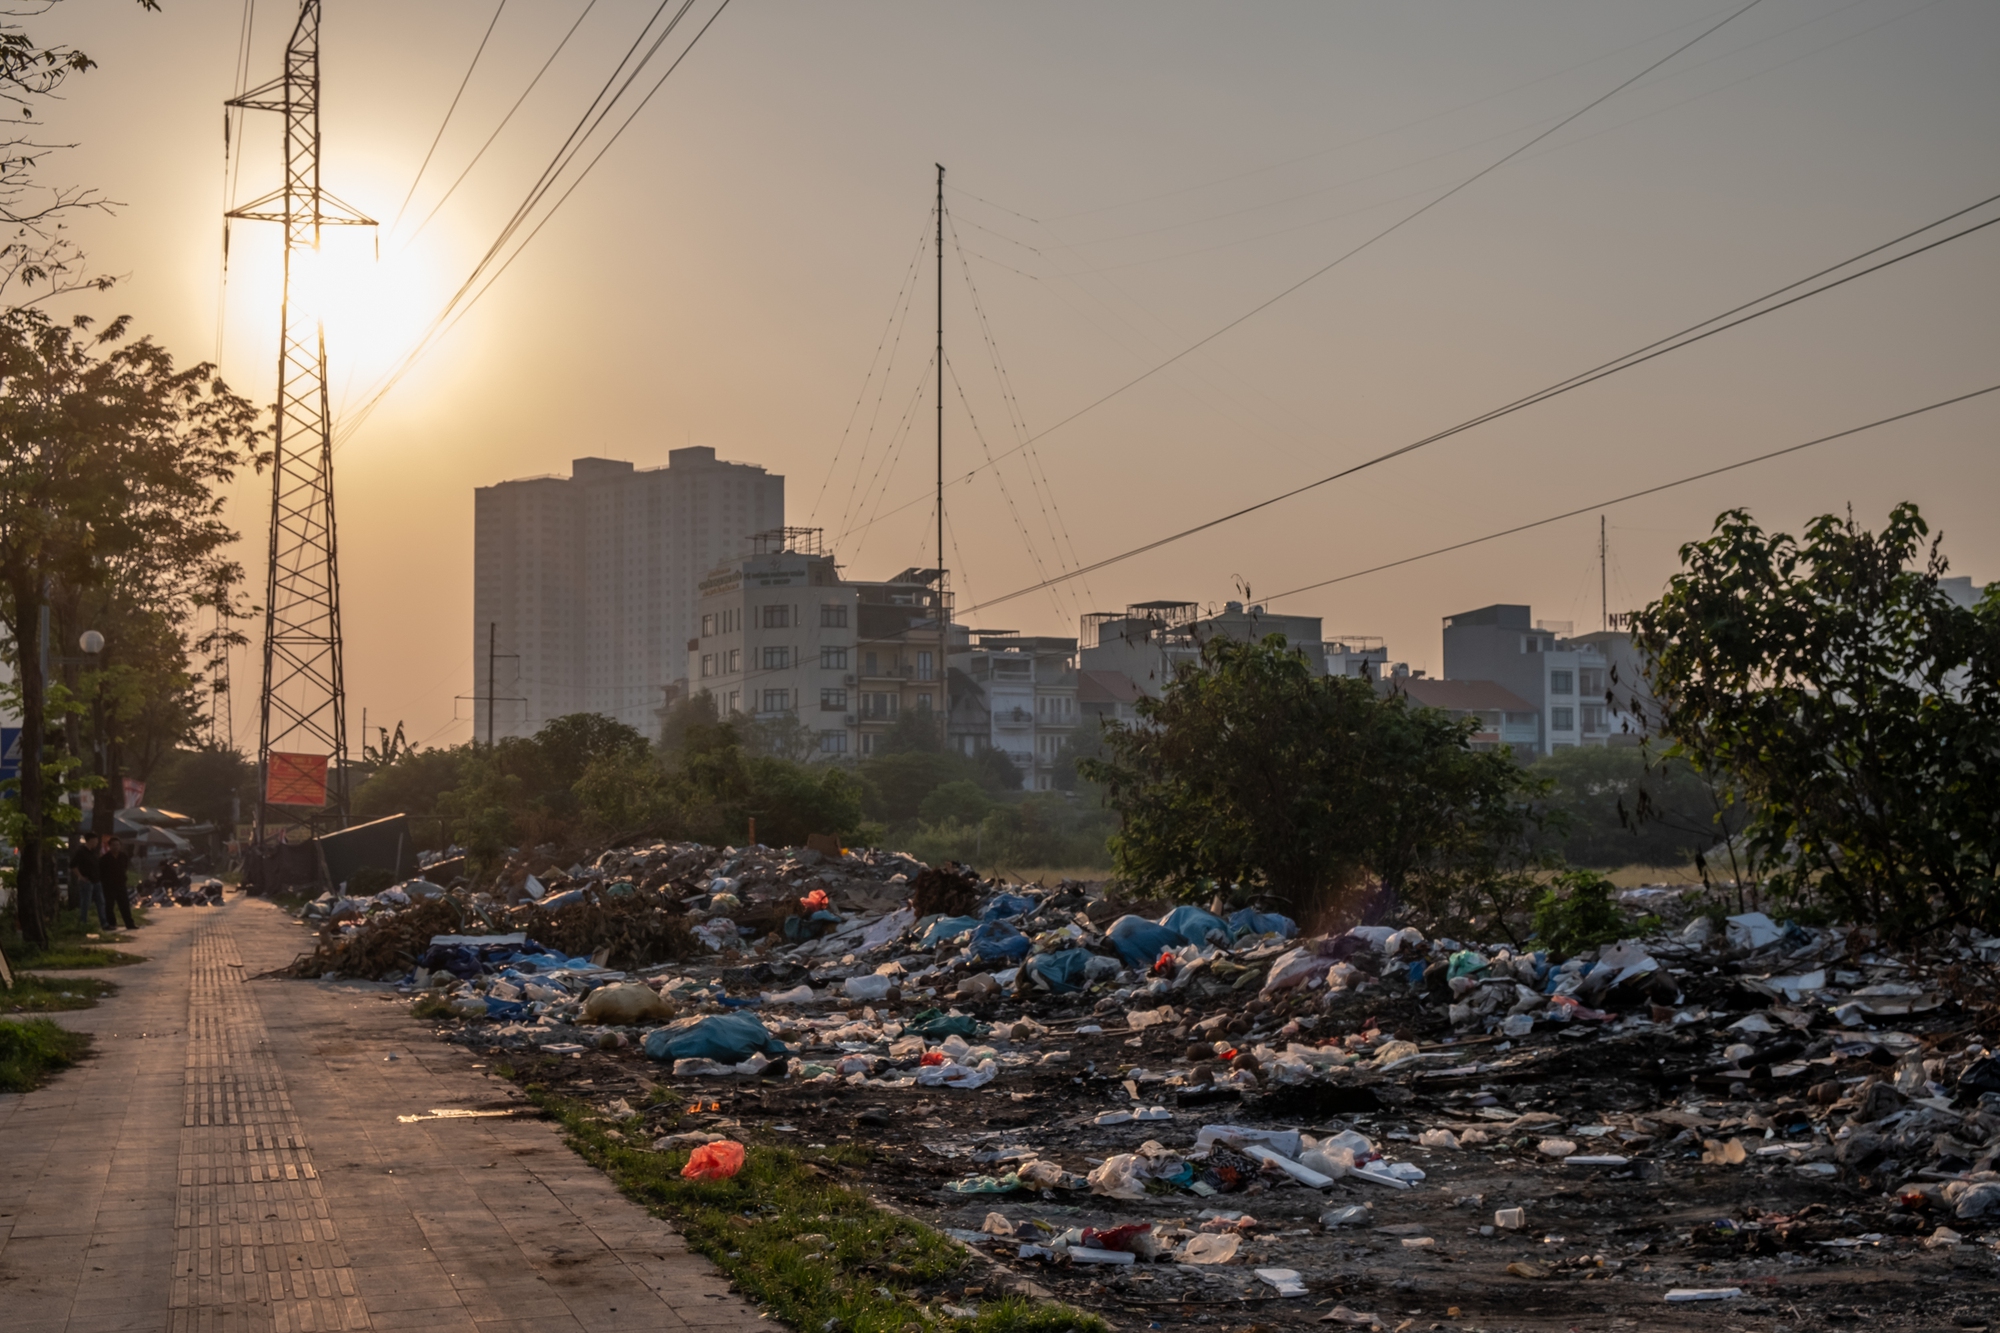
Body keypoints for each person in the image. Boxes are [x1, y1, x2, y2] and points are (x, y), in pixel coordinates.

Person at [100, 835, 136, 930]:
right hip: (109, 885)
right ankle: (112, 923)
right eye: (113, 845)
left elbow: (125, 868)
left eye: (117, 845)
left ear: (120, 846)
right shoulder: (105, 858)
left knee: (124, 904)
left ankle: (129, 924)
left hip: (121, 884)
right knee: (109, 905)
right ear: (109, 846)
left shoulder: (123, 856)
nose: (116, 847)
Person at [72, 834, 107, 928]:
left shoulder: (94, 852)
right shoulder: (81, 851)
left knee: (101, 902)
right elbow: (73, 865)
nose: (96, 843)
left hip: (97, 880)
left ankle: (104, 923)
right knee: (85, 903)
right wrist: (80, 876)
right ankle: (83, 923)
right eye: (95, 840)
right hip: (87, 880)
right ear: (90, 840)